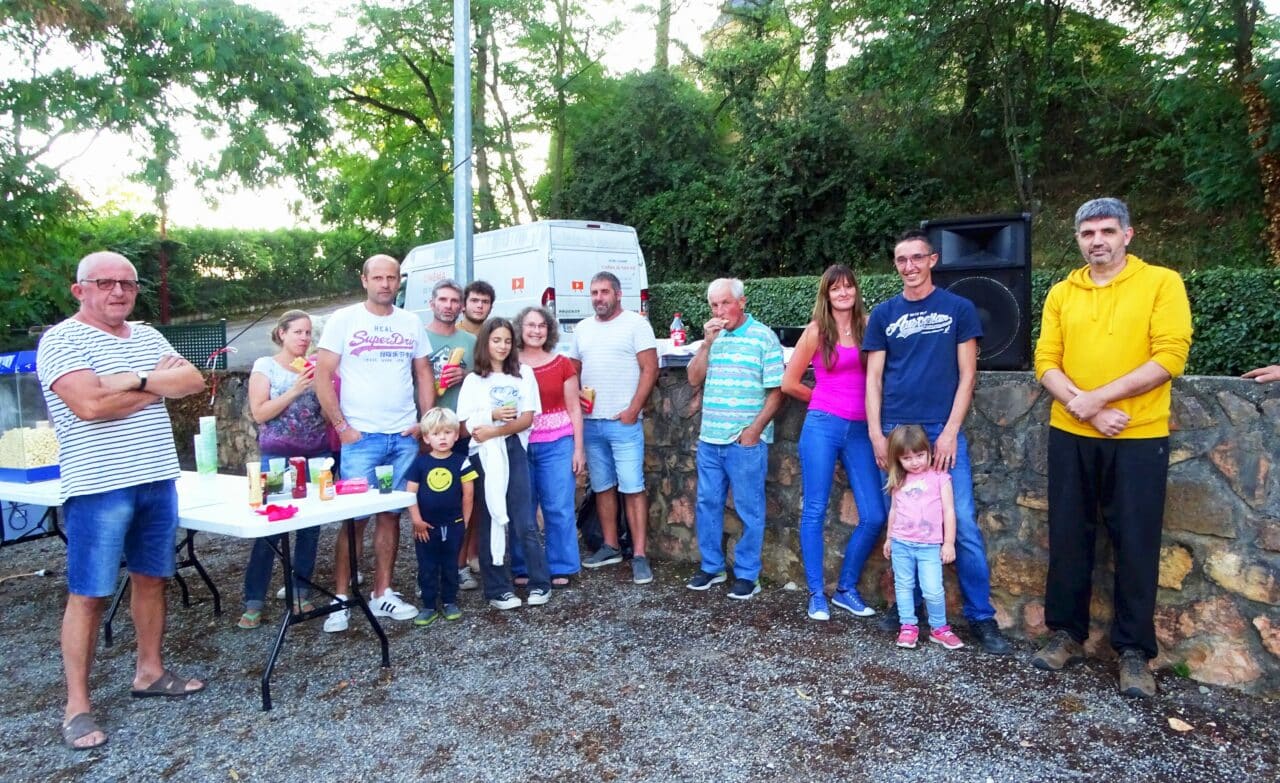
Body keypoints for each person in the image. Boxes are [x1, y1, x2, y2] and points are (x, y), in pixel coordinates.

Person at [37, 251, 207, 750]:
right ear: (80, 289)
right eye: (105, 283)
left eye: (128, 285)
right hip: (97, 485)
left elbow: (193, 382)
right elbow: (88, 405)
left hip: (157, 478)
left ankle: (149, 672)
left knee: (153, 579)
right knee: (89, 594)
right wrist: (155, 382)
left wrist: (127, 381)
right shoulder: (62, 340)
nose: (118, 292)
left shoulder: (149, 336)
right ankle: (77, 707)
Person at [1032, 197, 1193, 698]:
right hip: (1072, 432)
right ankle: (1066, 634)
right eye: (1087, 233)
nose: (1096, 240)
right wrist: (1089, 408)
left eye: (1106, 231)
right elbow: (1045, 361)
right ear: (1078, 239)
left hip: (1140, 435)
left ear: (1128, 234)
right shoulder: (1063, 292)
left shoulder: (1161, 283)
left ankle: (1134, 653)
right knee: (1069, 536)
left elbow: (1170, 356)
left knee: (1137, 542)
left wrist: (1099, 398)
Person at [864, 229, 1011, 655]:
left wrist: (949, 431)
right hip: (896, 433)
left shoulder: (959, 309)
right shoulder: (883, 314)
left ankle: (981, 617)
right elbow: (873, 379)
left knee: (960, 523)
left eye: (916, 258)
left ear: (932, 259)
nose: (908, 266)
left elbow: (968, 375)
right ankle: (903, 610)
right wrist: (877, 433)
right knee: (902, 521)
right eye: (900, 259)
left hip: (941, 432)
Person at [314, 254, 435, 632]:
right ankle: (341, 600)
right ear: (364, 279)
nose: (385, 284)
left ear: (400, 281)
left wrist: (423, 424)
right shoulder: (344, 320)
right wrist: (342, 427)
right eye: (378, 277)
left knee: (391, 515)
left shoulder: (411, 321)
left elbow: (423, 373)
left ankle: (383, 593)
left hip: (402, 437)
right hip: (361, 439)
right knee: (354, 521)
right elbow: (322, 375)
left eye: (392, 277)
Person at [782, 264, 887, 621]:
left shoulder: (869, 325)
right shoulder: (816, 332)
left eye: (848, 287)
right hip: (822, 426)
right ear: (826, 294)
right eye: (835, 288)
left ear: (856, 291)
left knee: (874, 514)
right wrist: (822, 399)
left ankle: (845, 588)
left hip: (861, 429)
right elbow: (788, 383)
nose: (843, 293)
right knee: (814, 509)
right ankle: (816, 594)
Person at [685, 278, 784, 600]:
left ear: (741, 302)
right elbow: (692, 378)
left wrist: (753, 431)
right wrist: (706, 344)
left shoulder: (763, 337)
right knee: (707, 504)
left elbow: (776, 392)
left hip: (744, 443)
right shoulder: (713, 339)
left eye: (725, 303)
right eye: (714, 305)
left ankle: (747, 574)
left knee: (749, 509)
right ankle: (711, 567)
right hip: (710, 438)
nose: (719, 311)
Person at [239, 310, 331, 629]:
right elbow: (260, 412)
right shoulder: (265, 366)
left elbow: (330, 407)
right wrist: (295, 388)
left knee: (310, 528)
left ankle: (300, 591)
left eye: (308, 333)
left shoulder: (316, 367)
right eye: (298, 332)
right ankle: (254, 600)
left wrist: (319, 383)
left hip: (315, 456)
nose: (304, 338)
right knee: (271, 530)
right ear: (281, 334)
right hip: (277, 458)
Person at [569, 271, 658, 585]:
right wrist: (575, 398)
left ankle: (639, 554)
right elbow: (574, 371)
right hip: (592, 423)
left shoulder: (635, 324)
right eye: (594, 292)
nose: (598, 298)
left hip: (623, 422)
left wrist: (634, 409)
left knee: (633, 487)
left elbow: (650, 368)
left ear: (618, 294)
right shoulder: (582, 329)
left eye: (604, 292)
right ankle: (610, 546)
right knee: (603, 486)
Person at [457, 318, 551, 609]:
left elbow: (527, 418)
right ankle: (498, 588)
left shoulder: (523, 374)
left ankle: (540, 583)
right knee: (489, 520)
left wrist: (494, 427)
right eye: (496, 340)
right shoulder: (474, 380)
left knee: (524, 519)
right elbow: (464, 424)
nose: (502, 346)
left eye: (507, 341)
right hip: (484, 453)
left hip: (512, 448)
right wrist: (490, 415)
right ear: (486, 342)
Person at [515, 305, 586, 587]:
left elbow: (575, 409)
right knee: (523, 508)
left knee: (558, 507)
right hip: (518, 444)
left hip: (557, 444)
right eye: (530, 325)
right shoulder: (508, 363)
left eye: (542, 325)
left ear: (550, 330)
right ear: (520, 328)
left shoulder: (562, 364)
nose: (536, 330)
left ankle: (562, 566)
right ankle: (523, 566)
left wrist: (578, 449)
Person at [881, 425, 965, 651]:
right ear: (898, 460)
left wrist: (948, 542)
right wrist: (889, 538)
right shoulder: (898, 480)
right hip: (901, 543)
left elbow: (949, 511)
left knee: (933, 590)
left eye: (920, 455)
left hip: (929, 547)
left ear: (929, 451)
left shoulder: (940, 478)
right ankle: (908, 626)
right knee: (904, 586)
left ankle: (939, 628)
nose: (915, 462)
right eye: (907, 458)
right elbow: (894, 511)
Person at [421, 278, 480, 592]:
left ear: (461, 306)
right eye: (442, 300)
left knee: (463, 501)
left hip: (462, 431)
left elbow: (486, 375)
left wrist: (466, 373)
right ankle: (429, 571)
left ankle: (458, 566)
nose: (448, 305)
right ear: (432, 303)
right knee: (430, 502)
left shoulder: (469, 341)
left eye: (454, 301)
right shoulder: (419, 338)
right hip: (428, 434)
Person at [405, 408, 478, 626]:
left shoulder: (462, 462)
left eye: (447, 432)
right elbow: (410, 494)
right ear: (427, 437)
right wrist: (417, 521)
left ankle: (449, 601)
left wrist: (463, 522)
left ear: (456, 435)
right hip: (426, 527)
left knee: (449, 564)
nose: (442, 438)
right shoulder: (420, 463)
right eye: (436, 434)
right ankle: (428, 605)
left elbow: (469, 494)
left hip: (453, 525)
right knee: (427, 565)